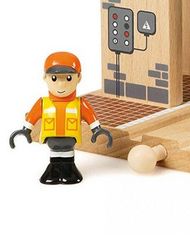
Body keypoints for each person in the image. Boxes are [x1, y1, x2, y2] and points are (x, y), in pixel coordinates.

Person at [9, 51, 113, 184]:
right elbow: (32, 117)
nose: (61, 85)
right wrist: (25, 130)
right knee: (55, 155)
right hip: (51, 138)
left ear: (79, 78)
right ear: (45, 78)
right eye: (54, 78)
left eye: (68, 78)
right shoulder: (43, 103)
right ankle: (54, 170)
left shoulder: (80, 104)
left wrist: (97, 130)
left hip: (70, 139)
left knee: (67, 156)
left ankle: (69, 170)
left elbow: (90, 117)